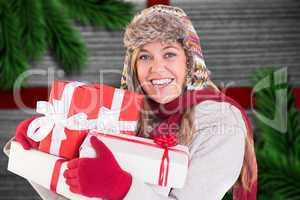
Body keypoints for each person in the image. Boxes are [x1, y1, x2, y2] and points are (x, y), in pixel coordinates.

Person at [10, 4, 258, 200]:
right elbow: (72, 193)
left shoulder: (219, 122)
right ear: (133, 67)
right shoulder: (126, 115)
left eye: (169, 54)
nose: (156, 68)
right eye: (145, 57)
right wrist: (41, 151)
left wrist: (121, 187)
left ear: (190, 62)